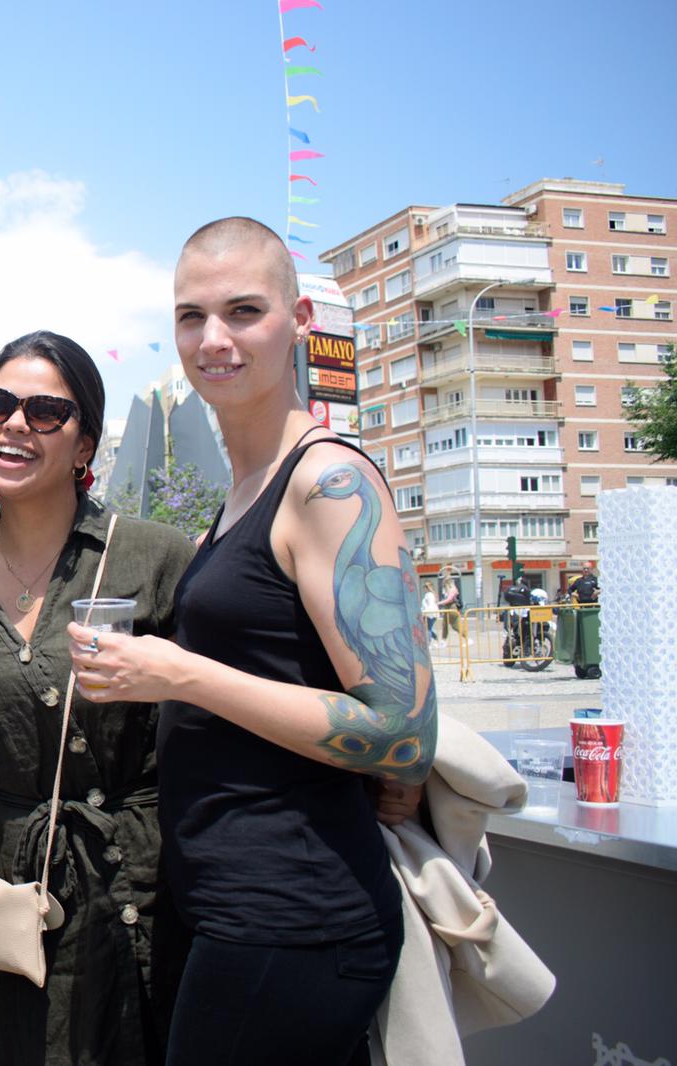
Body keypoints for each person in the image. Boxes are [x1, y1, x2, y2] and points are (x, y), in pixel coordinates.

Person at [69, 217, 434, 1066]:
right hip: (236, 906)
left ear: (301, 318)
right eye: (192, 317)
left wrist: (181, 674)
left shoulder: (329, 482)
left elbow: (403, 729)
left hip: (295, 916)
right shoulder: (245, 491)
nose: (214, 339)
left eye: (243, 311)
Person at [0, 331, 196, 1065]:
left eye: (46, 412)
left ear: (86, 443)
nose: (15, 424)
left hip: (132, 885)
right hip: (2, 888)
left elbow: (217, 713)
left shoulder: (151, 555)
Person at [437, 571, 464, 645]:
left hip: (452, 607)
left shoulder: (452, 588)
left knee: (455, 625)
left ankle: (467, 638)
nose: (443, 583)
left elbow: (449, 599)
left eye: (444, 581)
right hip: (447, 607)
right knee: (444, 624)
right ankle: (443, 641)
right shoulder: (447, 588)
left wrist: (439, 603)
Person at [420, 581, 440, 647]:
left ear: (427, 588)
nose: (424, 589)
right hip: (431, 614)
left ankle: (429, 644)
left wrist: (424, 612)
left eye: (424, 588)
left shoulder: (429, 595)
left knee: (428, 629)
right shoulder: (432, 594)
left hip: (429, 614)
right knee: (428, 628)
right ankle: (437, 640)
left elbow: (430, 605)